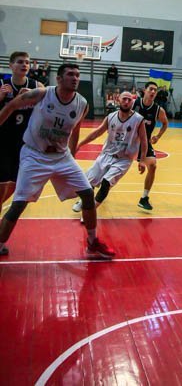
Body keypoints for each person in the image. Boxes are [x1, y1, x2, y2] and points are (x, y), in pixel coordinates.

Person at [0, 63, 115, 259]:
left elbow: (75, 131)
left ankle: (92, 243)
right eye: (70, 74)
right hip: (34, 155)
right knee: (19, 204)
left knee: (88, 194)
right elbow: (11, 106)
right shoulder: (42, 94)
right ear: (59, 78)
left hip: (61, 157)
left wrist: (72, 155)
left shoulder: (82, 103)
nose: (75, 78)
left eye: (77, 75)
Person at [72, 92, 149, 214]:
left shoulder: (138, 120)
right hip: (106, 154)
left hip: (123, 159)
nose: (127, 102)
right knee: (90, 181)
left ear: (132, 102)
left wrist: (142, 160)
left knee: (106, 183)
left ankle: (90, 211)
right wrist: (80, 144)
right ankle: (84, 201)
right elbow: (97, 132)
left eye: (129, 100)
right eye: (124, 99)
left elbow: (144, 141)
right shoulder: (111, 117)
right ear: (118, 99)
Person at [0, 51, 44, 254]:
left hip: (25, 145)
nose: (24, 65)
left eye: (27, 62)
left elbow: (47, 110)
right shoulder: (2, 84)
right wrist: (3, 98)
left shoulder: (37, 87)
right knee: (2, 187)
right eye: (20, 62)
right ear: (11, 65)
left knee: (16, 187)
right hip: (3, 143)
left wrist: (35, 100)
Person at [133, 81, 169, 211]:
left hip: (144, 142)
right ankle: (97, 187)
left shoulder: (158, 110)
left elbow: (165, 123)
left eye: (155, 90)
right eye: (151, 89)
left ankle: (144, 198)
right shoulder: (134, 103)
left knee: (153, 166)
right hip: (129, 140)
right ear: (145, 90)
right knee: (112, 166)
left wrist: (158, 136)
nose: (153, 92)